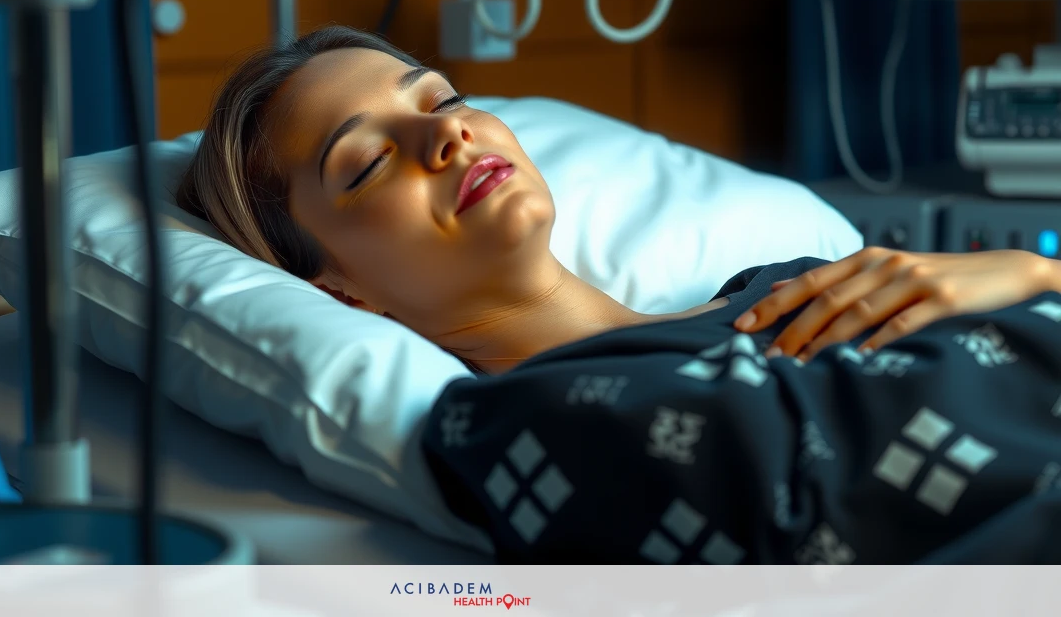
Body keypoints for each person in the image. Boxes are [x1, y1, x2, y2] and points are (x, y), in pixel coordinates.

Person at [176, 25, 1061, 374]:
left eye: (441, 100)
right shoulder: (541, 438)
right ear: (339, 290)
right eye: (367, 163)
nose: (446, 136)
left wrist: (1037, 274)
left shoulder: (789, 282)